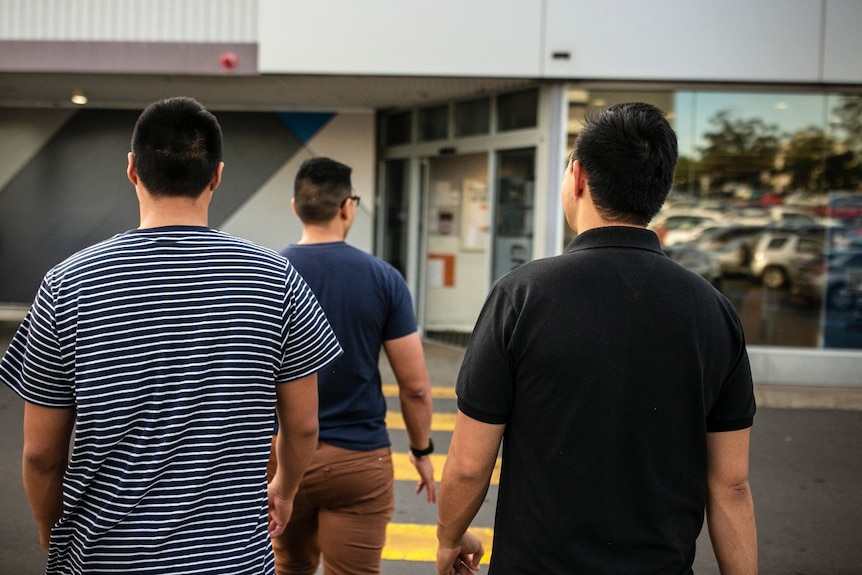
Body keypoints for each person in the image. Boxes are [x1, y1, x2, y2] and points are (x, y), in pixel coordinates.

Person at [0, 96, 342, 575]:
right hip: (232, 559)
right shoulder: (274, 278)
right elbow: (304, 426)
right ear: (217, 176)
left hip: (104, 558)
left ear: (132, 170)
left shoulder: (68, 284)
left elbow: (40, 455)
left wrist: (50, 530)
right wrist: (283, 492)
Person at [437, 103, 757, 574]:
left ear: (579, 176)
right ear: (659, 190)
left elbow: (468, 464)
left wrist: (449, 538)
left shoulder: (521, 296)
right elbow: (730, 487)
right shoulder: (712, 312)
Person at [268, 156, 436, 575]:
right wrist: (421, 450)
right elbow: (414, 387)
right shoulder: (383, 278)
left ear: (295, 207)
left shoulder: (265, 274)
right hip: (358, 460)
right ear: (348, 207)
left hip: (281, 458)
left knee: (289, 566)